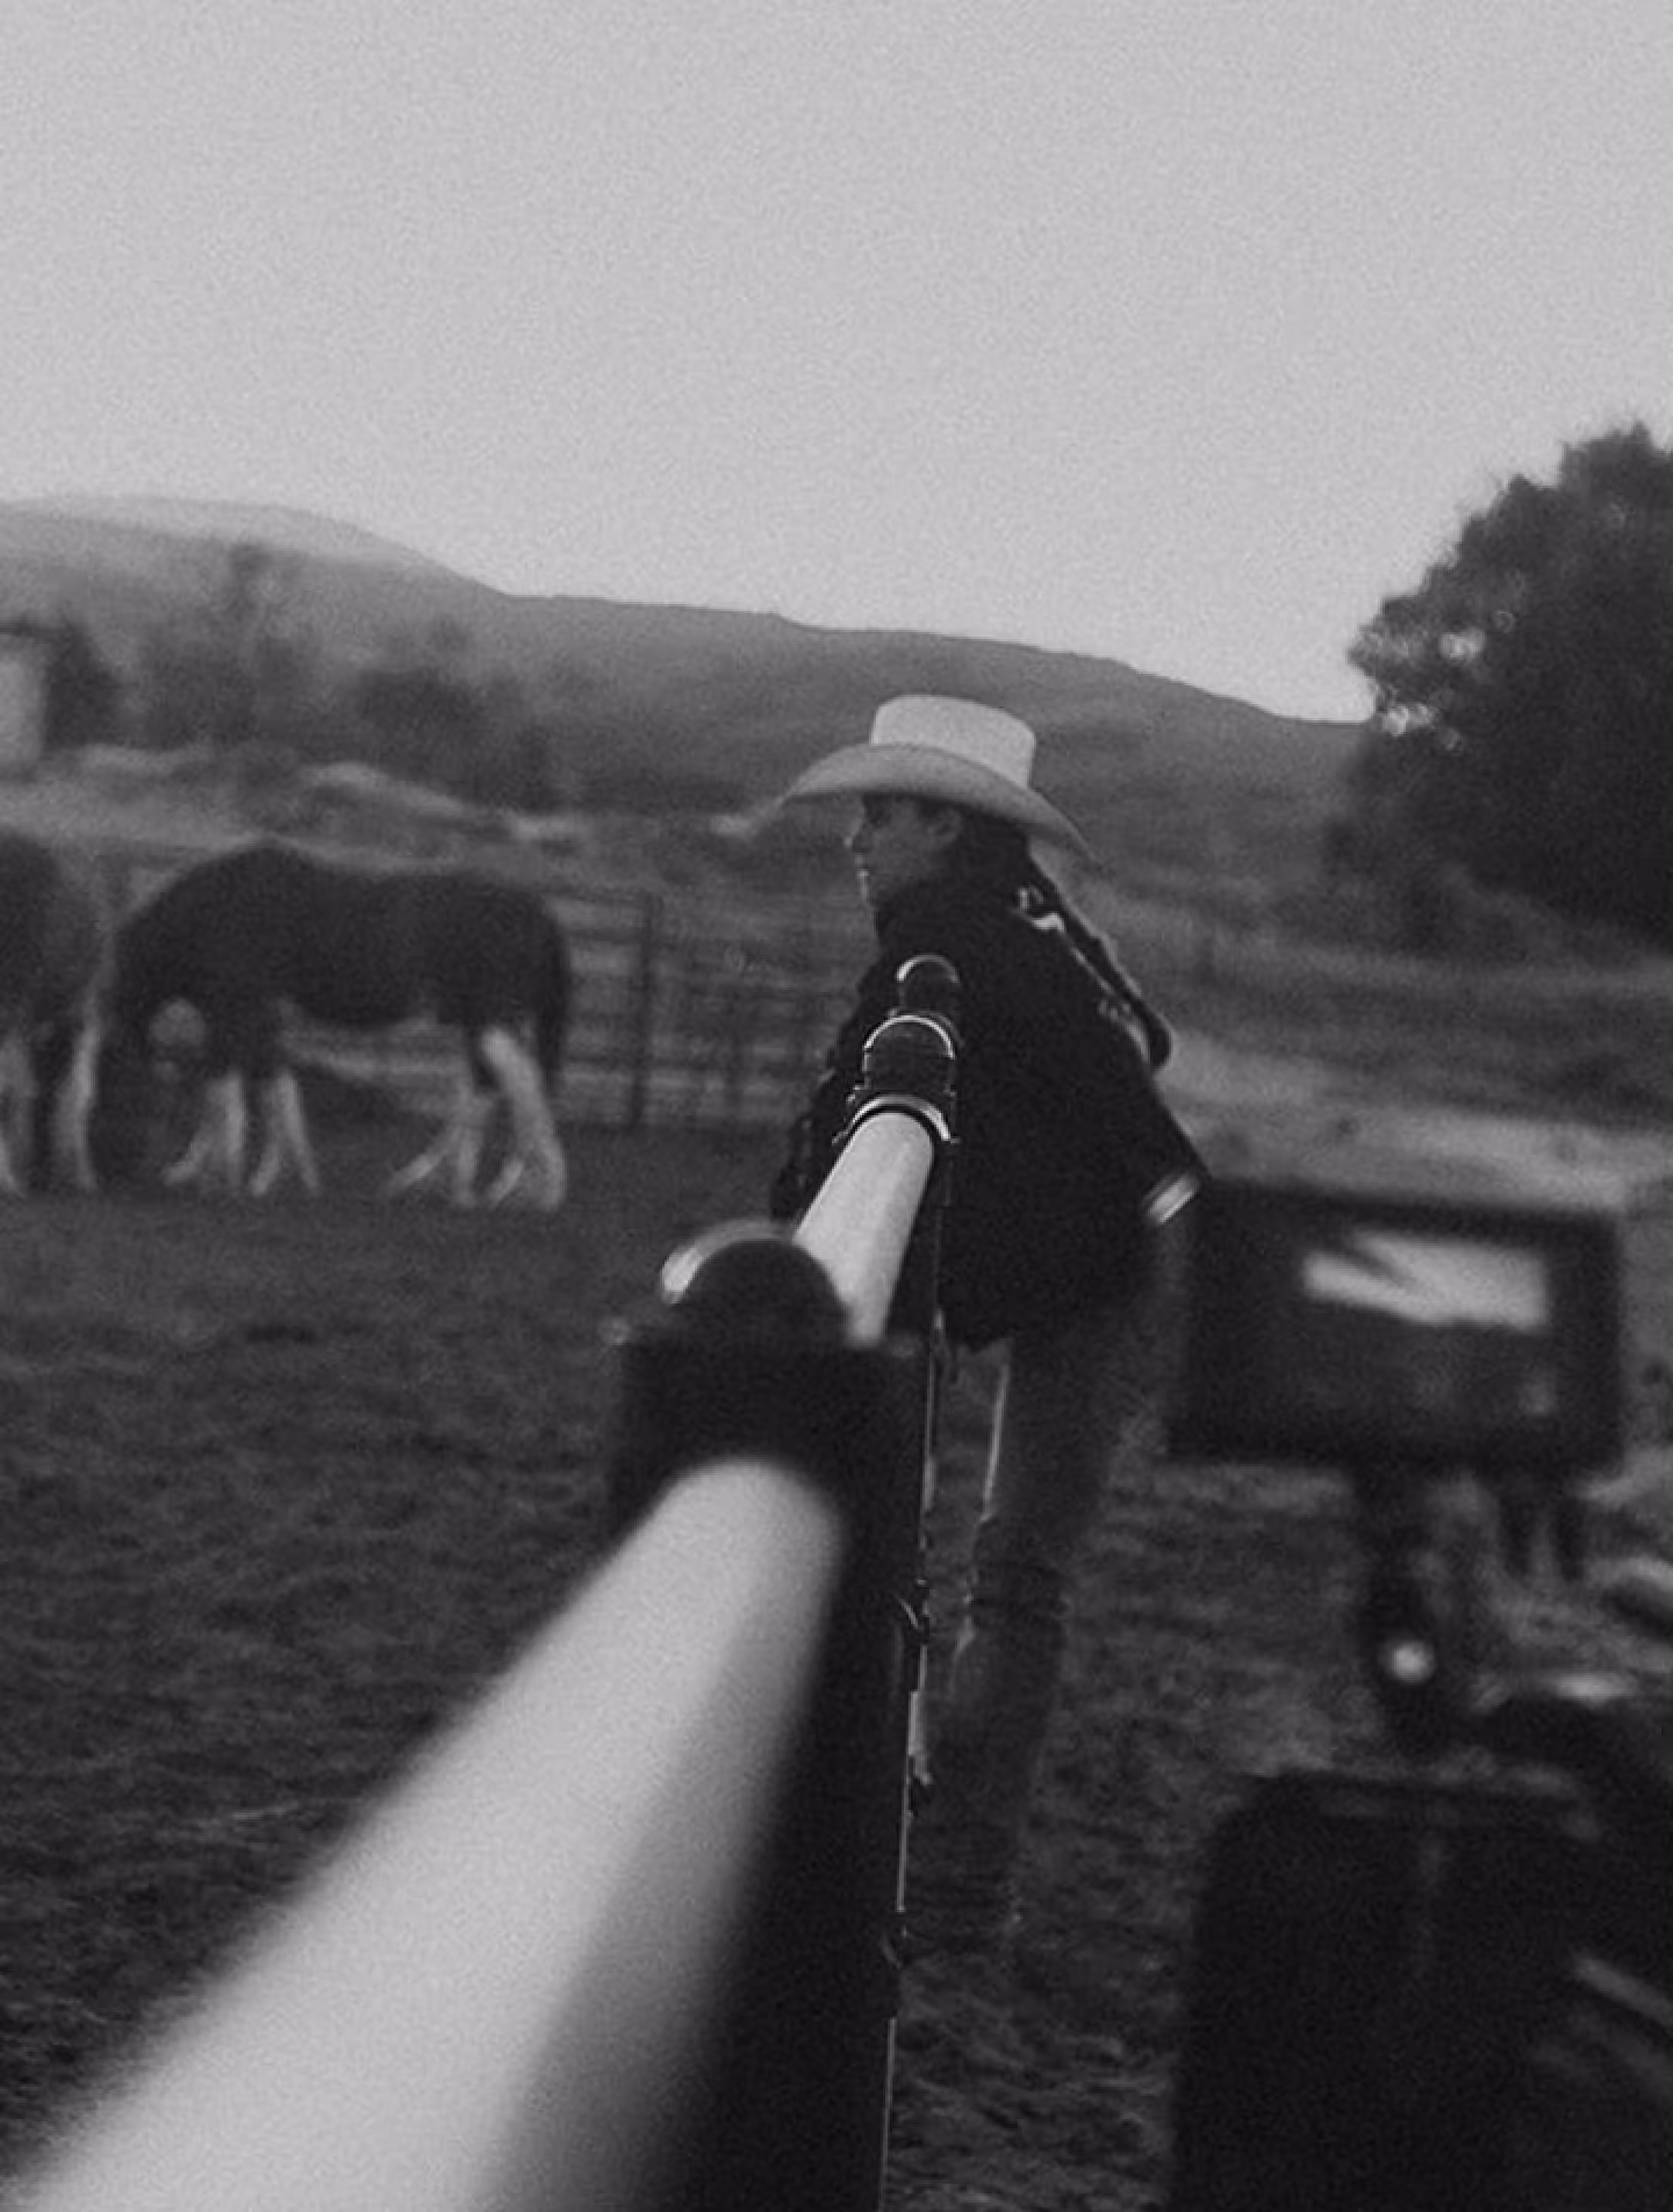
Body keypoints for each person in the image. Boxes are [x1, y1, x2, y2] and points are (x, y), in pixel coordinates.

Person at [768, 693, 1204, 1959]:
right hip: (1106, 1279)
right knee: (1009, 1577)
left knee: (1014, 1578)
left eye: (880, 815)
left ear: (946, 832)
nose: (855, 840)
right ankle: (955, 1877)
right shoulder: (1003, 930)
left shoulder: (955, 936)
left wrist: (799, 1234)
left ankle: (961, 1887)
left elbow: (851, 1099)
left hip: (1109, 1288)